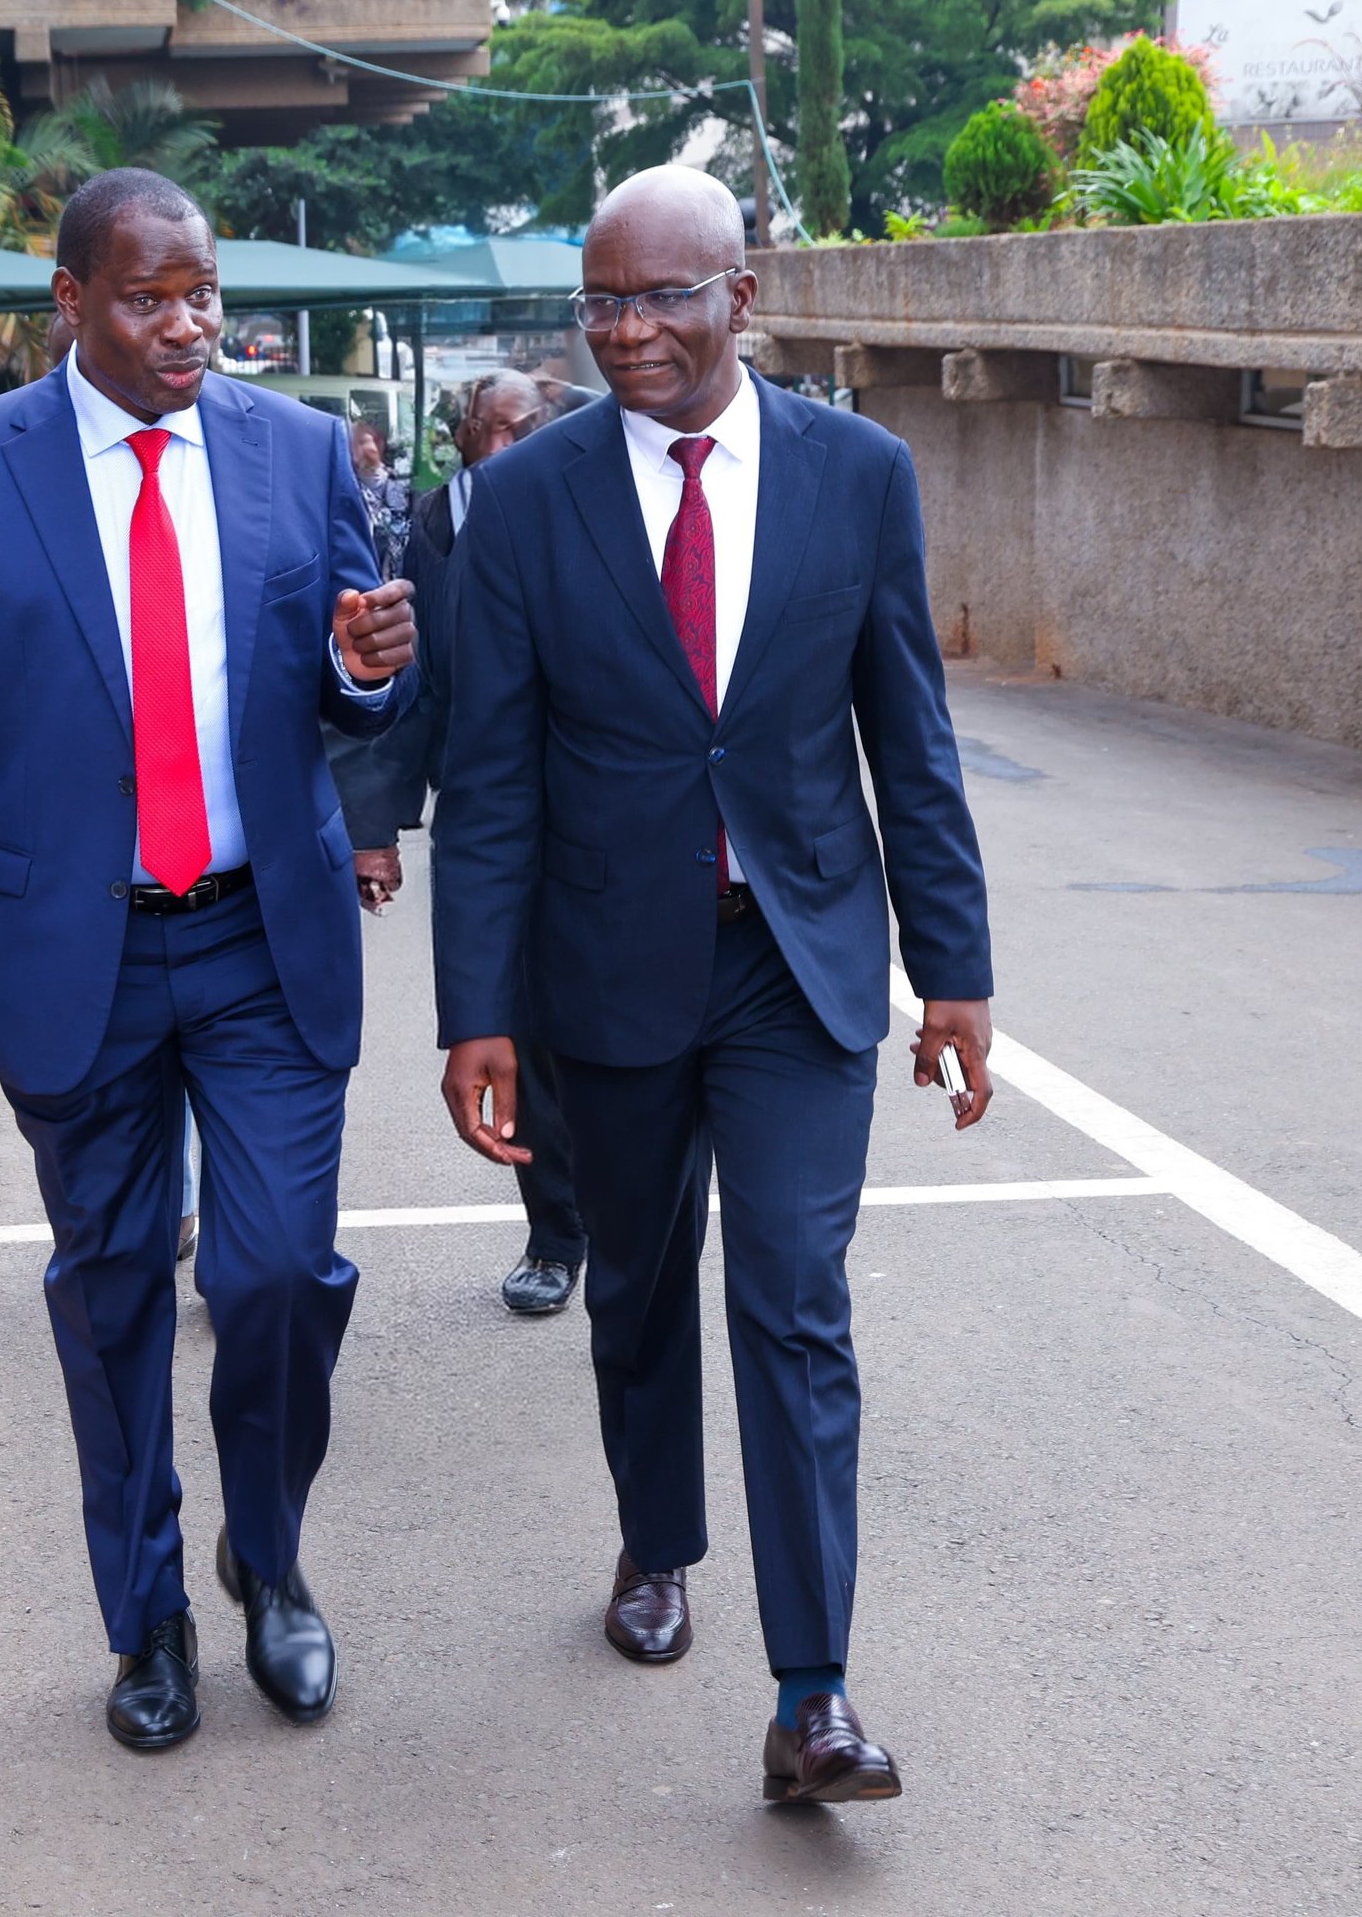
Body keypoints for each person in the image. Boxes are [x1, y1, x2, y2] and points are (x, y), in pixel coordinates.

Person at [432, 167, 995, 1806]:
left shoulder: (856, 475)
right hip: (603, 964)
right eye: (601, 300)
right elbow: (491, 779)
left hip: (795, 959)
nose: (626, 330)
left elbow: (908, 738)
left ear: (740, 298)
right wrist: (477, 1013)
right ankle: (656, 1537)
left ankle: (812, 1694)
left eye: (662, 296)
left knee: (794, 1296)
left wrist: (953, 972)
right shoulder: (524, 501)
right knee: (634, 1281)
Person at [0, 169, 415, 1755]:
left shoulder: (296, 446)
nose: (188, 324)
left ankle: (271, 1552)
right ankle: (148, 1613)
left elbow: (347, 680)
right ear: (72, 301)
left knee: (279, 1271)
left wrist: (367, 673)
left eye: (203, 292)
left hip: (261, 937)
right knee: (110, 1296)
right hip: (72, 950)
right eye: (149, 297)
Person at [329, 369, 588, 1317]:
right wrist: (376, 826)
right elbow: (408, 684)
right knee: (515, 1029)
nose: (501, 445)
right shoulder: (429, 527)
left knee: (616, 1038)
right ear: (461, 436)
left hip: (602, 818)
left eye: (521, 427)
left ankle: (632, 1224)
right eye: (485, 428)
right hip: (489, 821)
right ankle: (555, 1235)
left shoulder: (592, 505)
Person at [349, 419, 411, 585]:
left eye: (362, 442)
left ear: (379, 443)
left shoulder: (405, 488)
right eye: (352, 444)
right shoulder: (345, 490)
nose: (356, 450)